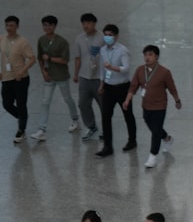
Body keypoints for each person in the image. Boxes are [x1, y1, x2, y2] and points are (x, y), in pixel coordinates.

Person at [125, 45, 181, 168]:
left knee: (155, 131)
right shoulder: (140, 70)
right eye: (145, 55)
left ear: (156, 56)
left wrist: (177, 100)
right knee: (155, 128)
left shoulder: (164, 72)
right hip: (146, 106)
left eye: (150, 55)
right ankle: (167, 138)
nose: (147, 57)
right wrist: (127, 100)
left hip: (160, 106)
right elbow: (133, 86)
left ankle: (152, 156)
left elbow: (172, 88)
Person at [32, 15, 79, 141]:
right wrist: (43, 72)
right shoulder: (41, 40)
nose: (47, 27)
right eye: (45, 25)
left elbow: (65, 60)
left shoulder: (62, 42)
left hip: (61, 76)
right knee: (45, 102)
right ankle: (41, 129)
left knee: (67, 98)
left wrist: (51, 59)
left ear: (54, 26)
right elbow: (40, 57)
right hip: (49, 76)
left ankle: (75, 119)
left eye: (49, 25)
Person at [96, 24, 137, 157]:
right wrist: (101, 85)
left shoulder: (123, 51)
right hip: (108, 87)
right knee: (106, 116)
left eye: (110, 35)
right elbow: (102, 69)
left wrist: (113, 68)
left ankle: (132, 140)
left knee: (128, 115)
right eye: (105, 35)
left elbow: (126, 68)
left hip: (122, 87)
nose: (107, 37)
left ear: (116, 36)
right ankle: (108, 146)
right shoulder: (102, 50)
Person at [1, 15, 36, 144]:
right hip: (6, 78)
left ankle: (21, 129)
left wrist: (22, 71)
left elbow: (32, 59)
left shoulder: (23, 42)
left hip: (20, 79)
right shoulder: (2, 38)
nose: (9, 28)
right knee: (6, 104)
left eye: (12, 25)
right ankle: (22, 117)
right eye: (7, 25)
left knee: (21, 104)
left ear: (17, 27)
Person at [73, 13, 103, 142]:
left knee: (103, 105)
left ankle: (107, 129)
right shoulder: (79, 38)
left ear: (94, 24)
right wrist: (76, 73)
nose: (86, 26)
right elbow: (78, 58)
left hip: (98, 77)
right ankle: (91, 126)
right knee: (83, 104)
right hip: (84, 77)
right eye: (84, 23)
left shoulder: (102, 37)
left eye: (89, 23)